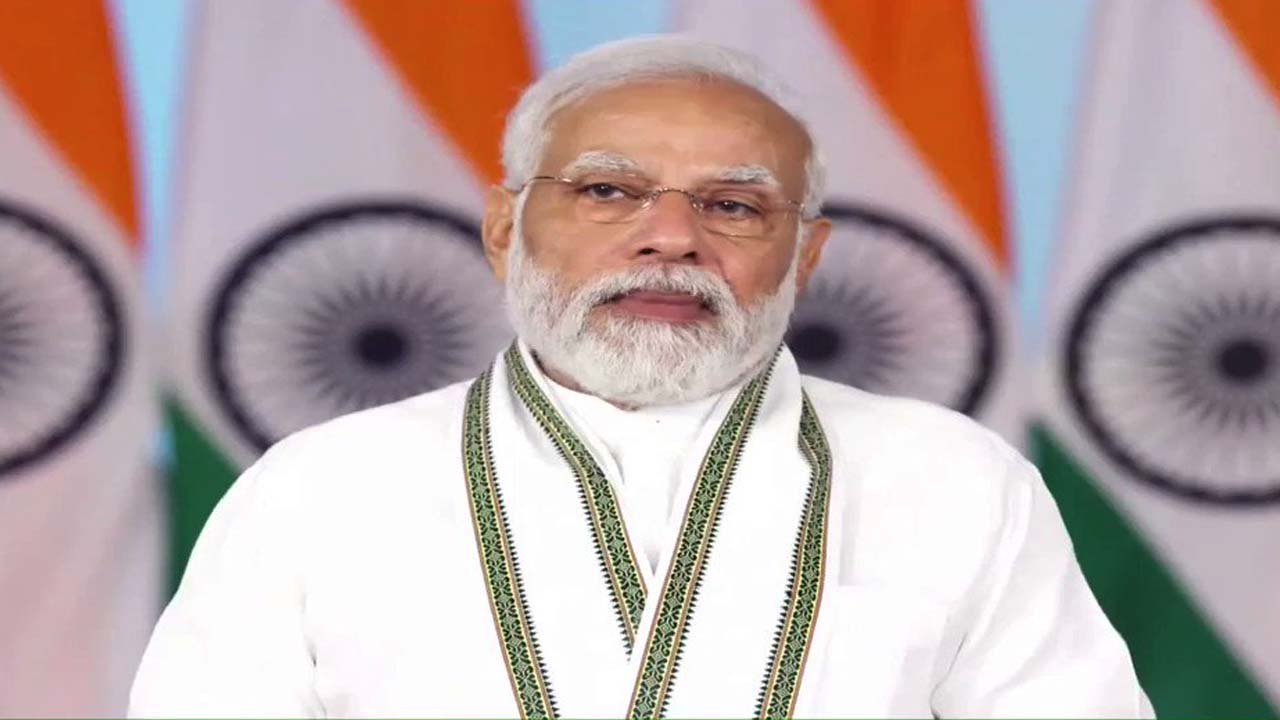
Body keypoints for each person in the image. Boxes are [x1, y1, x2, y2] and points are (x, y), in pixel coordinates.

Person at [130, 36, 1151, 718]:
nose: (670, 238)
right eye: (608, 191)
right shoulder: (318, 489)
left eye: (734, 206)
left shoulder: (954, 480)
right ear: (505, 229)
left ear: (804, 256)